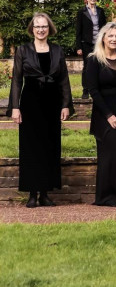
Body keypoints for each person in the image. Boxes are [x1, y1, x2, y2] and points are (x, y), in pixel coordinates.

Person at [8, 13, 72, 208]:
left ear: (49, 28)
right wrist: (15, 107)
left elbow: (64, 79)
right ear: (32, 29)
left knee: (49, 146)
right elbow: (17, 80)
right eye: (37, 26)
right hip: (30, 102)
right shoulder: (23, 50)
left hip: (52, 102)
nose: (41, 29)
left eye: (44, 26)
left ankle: (45, 193)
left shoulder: (57, 50)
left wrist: (66, 104)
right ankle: (32, 194)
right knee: (31, 147)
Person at [85, 22, 116, 207]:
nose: (114, 39)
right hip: (105, 115)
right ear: (103, 38)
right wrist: (109, 115)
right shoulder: (94, 60)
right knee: (111, 155)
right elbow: (93, 90)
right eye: (111, 36)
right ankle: (108, 196)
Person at [75, 0, 106, 99]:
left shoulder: (101, 11)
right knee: (87, 67)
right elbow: (78, 30)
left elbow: (104, 28)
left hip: (99, 43)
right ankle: (85, 90)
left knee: (100, 65)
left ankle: (98, 88)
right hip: (86, 43)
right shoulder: (81, 12)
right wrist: (78, 47)